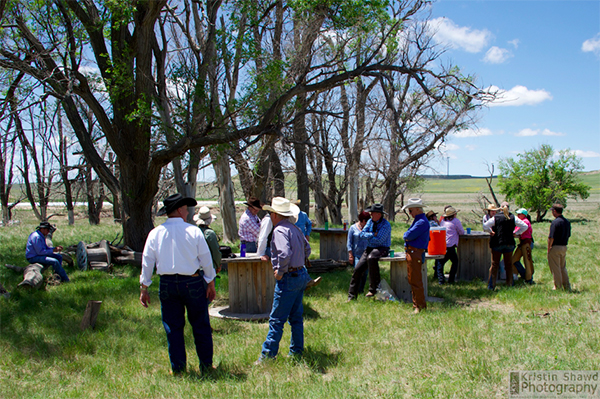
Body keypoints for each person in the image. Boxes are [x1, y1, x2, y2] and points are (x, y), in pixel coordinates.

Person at [140, 193, 216, 374]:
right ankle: (206, 365)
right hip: (192, 282)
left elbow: (147, 261)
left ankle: (178, 368)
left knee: (173, 328)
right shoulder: (193, 231)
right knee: (200, 325)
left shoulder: (155, 233)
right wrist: (210, 281)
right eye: (186, 209)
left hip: (167, 283)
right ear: (180, 210)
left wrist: (144, 287)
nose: (188, 213)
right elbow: (205, 259)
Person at [256, 197, 311, 363]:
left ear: (275, 215)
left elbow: (284, 254)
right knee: (296, 317)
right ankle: (296, 351)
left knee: (277, 320)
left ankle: (267, 356)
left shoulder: (279, 230)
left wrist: (280, 271)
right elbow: (307, 249)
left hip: (289, 276)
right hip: (300, 274)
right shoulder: (295, 229)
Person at [347, 204, 391, 301]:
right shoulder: (370, 222)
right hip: (370, 248)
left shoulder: (385, 225)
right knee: (357, 269)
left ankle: (373, 288)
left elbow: (379, 240)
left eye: (373, 213)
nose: (371, 215)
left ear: (379, 214)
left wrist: (369, 237)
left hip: (382, 248)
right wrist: (372, 234)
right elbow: (361, 235)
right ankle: (351, 296)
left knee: (371, 258)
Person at [483, 203, 528, 289]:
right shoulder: (513, 217)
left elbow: (485, 226)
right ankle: (509, 284)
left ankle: (491, 286)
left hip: (497, 243)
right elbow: (524, 226)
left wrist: (491, 232)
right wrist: (516, 233)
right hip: (509, 243)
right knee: (508, 264)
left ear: (500, 208)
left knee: (495, 264)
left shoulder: (496, 217)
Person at [402, 198, 430, 313]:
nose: (410, 213)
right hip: (413, 252)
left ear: (418, 209)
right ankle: (417, 304)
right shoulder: (420, 220)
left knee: (416, 280)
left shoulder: (421, 222)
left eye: (411, 210)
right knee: (413, 279)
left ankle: (419, 305)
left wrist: (406, 235)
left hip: (415, 252)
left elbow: (408, 235)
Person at [435, 206, 465, 284]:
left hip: (443, 244)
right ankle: (451, 280)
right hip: (451, 245)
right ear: (453, 214)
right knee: (455, 262)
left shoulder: (443, 222)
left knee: (440, 263)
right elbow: (461, 232)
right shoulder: (456, 221)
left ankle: (441, 280)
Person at [547, 203, 571, 290]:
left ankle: (558, 286)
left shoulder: (555, 222)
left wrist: (549, 248)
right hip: (564, 247)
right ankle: (567, 285)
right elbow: (568, 235)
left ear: (555, 211)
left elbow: (551, 237)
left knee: (555, 268)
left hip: (555, 247)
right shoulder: (567, 222)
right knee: (562, 267)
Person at [346, 211, 371, 293]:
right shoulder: (353, 228)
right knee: (358, 272)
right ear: (363, 220)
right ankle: (354, 290)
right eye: (367, 221)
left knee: (365, 273)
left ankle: (361, 290)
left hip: (367, 254)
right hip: (357, 254)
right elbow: (349, 243)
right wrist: (350, 255)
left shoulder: (369, 228)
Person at [194, 206, 222, 272]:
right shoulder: (210, 233)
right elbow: (215, 252)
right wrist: (217, 265)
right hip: (208, 266)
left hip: (196, 266)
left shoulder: (194, 231)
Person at [511, 208, 534, 284]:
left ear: (524, 215)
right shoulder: (522, 221)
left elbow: (517, 231)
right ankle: (523, 274)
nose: (518, 215)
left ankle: (529, 278)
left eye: (520, 214)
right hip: (522, 243)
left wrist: (514, 233)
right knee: (513, 260)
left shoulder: (525, 222)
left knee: (527, 261)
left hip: (526, 243)